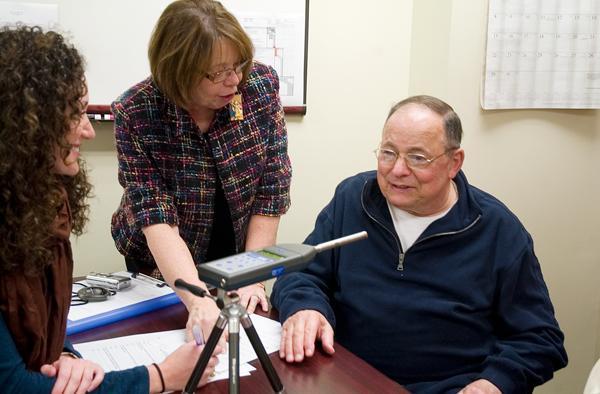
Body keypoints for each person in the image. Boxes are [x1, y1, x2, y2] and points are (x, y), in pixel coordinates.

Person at [271, 95, 568, 393]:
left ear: (454, 162)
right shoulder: (354, 198)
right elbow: (301, 273)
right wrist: (306, 308)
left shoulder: (497, 229)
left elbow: (540, 339)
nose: (397, 170)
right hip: (347, 378)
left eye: (417, 157)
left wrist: (494, 382)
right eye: (388, 153)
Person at [0, 26, 220, 393]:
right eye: (76, 114)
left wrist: (65, 358)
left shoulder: (38, 207)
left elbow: (37, 334)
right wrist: (160, 376)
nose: (88, 131)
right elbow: (13, 385)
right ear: (25, 126)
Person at [111, 0, 292, 342]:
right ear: (178, 70)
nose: (234, 80)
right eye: (217, 72)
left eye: (238, 65)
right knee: (184, 341)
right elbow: (155, 216)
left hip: (236, 251)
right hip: (163, 261)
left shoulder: (260, 87)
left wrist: (251, 276)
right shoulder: (137, 111)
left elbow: (271, 190)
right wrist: (196, 298)